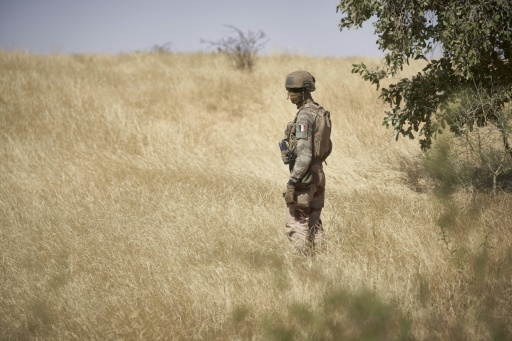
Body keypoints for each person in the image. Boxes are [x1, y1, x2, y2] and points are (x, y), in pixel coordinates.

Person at [279, 71, 332, 256]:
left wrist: (293, 181)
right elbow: (327, 146)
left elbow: (305, 154)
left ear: (305, 91)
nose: (291, 94)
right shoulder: (320, 112)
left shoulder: (304, 117)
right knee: (314, 223)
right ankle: (320, 261)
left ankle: (299, 266)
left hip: (305, 176)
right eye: (289, 90)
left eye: (295, 90)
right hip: (318, 173)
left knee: (297, 223)